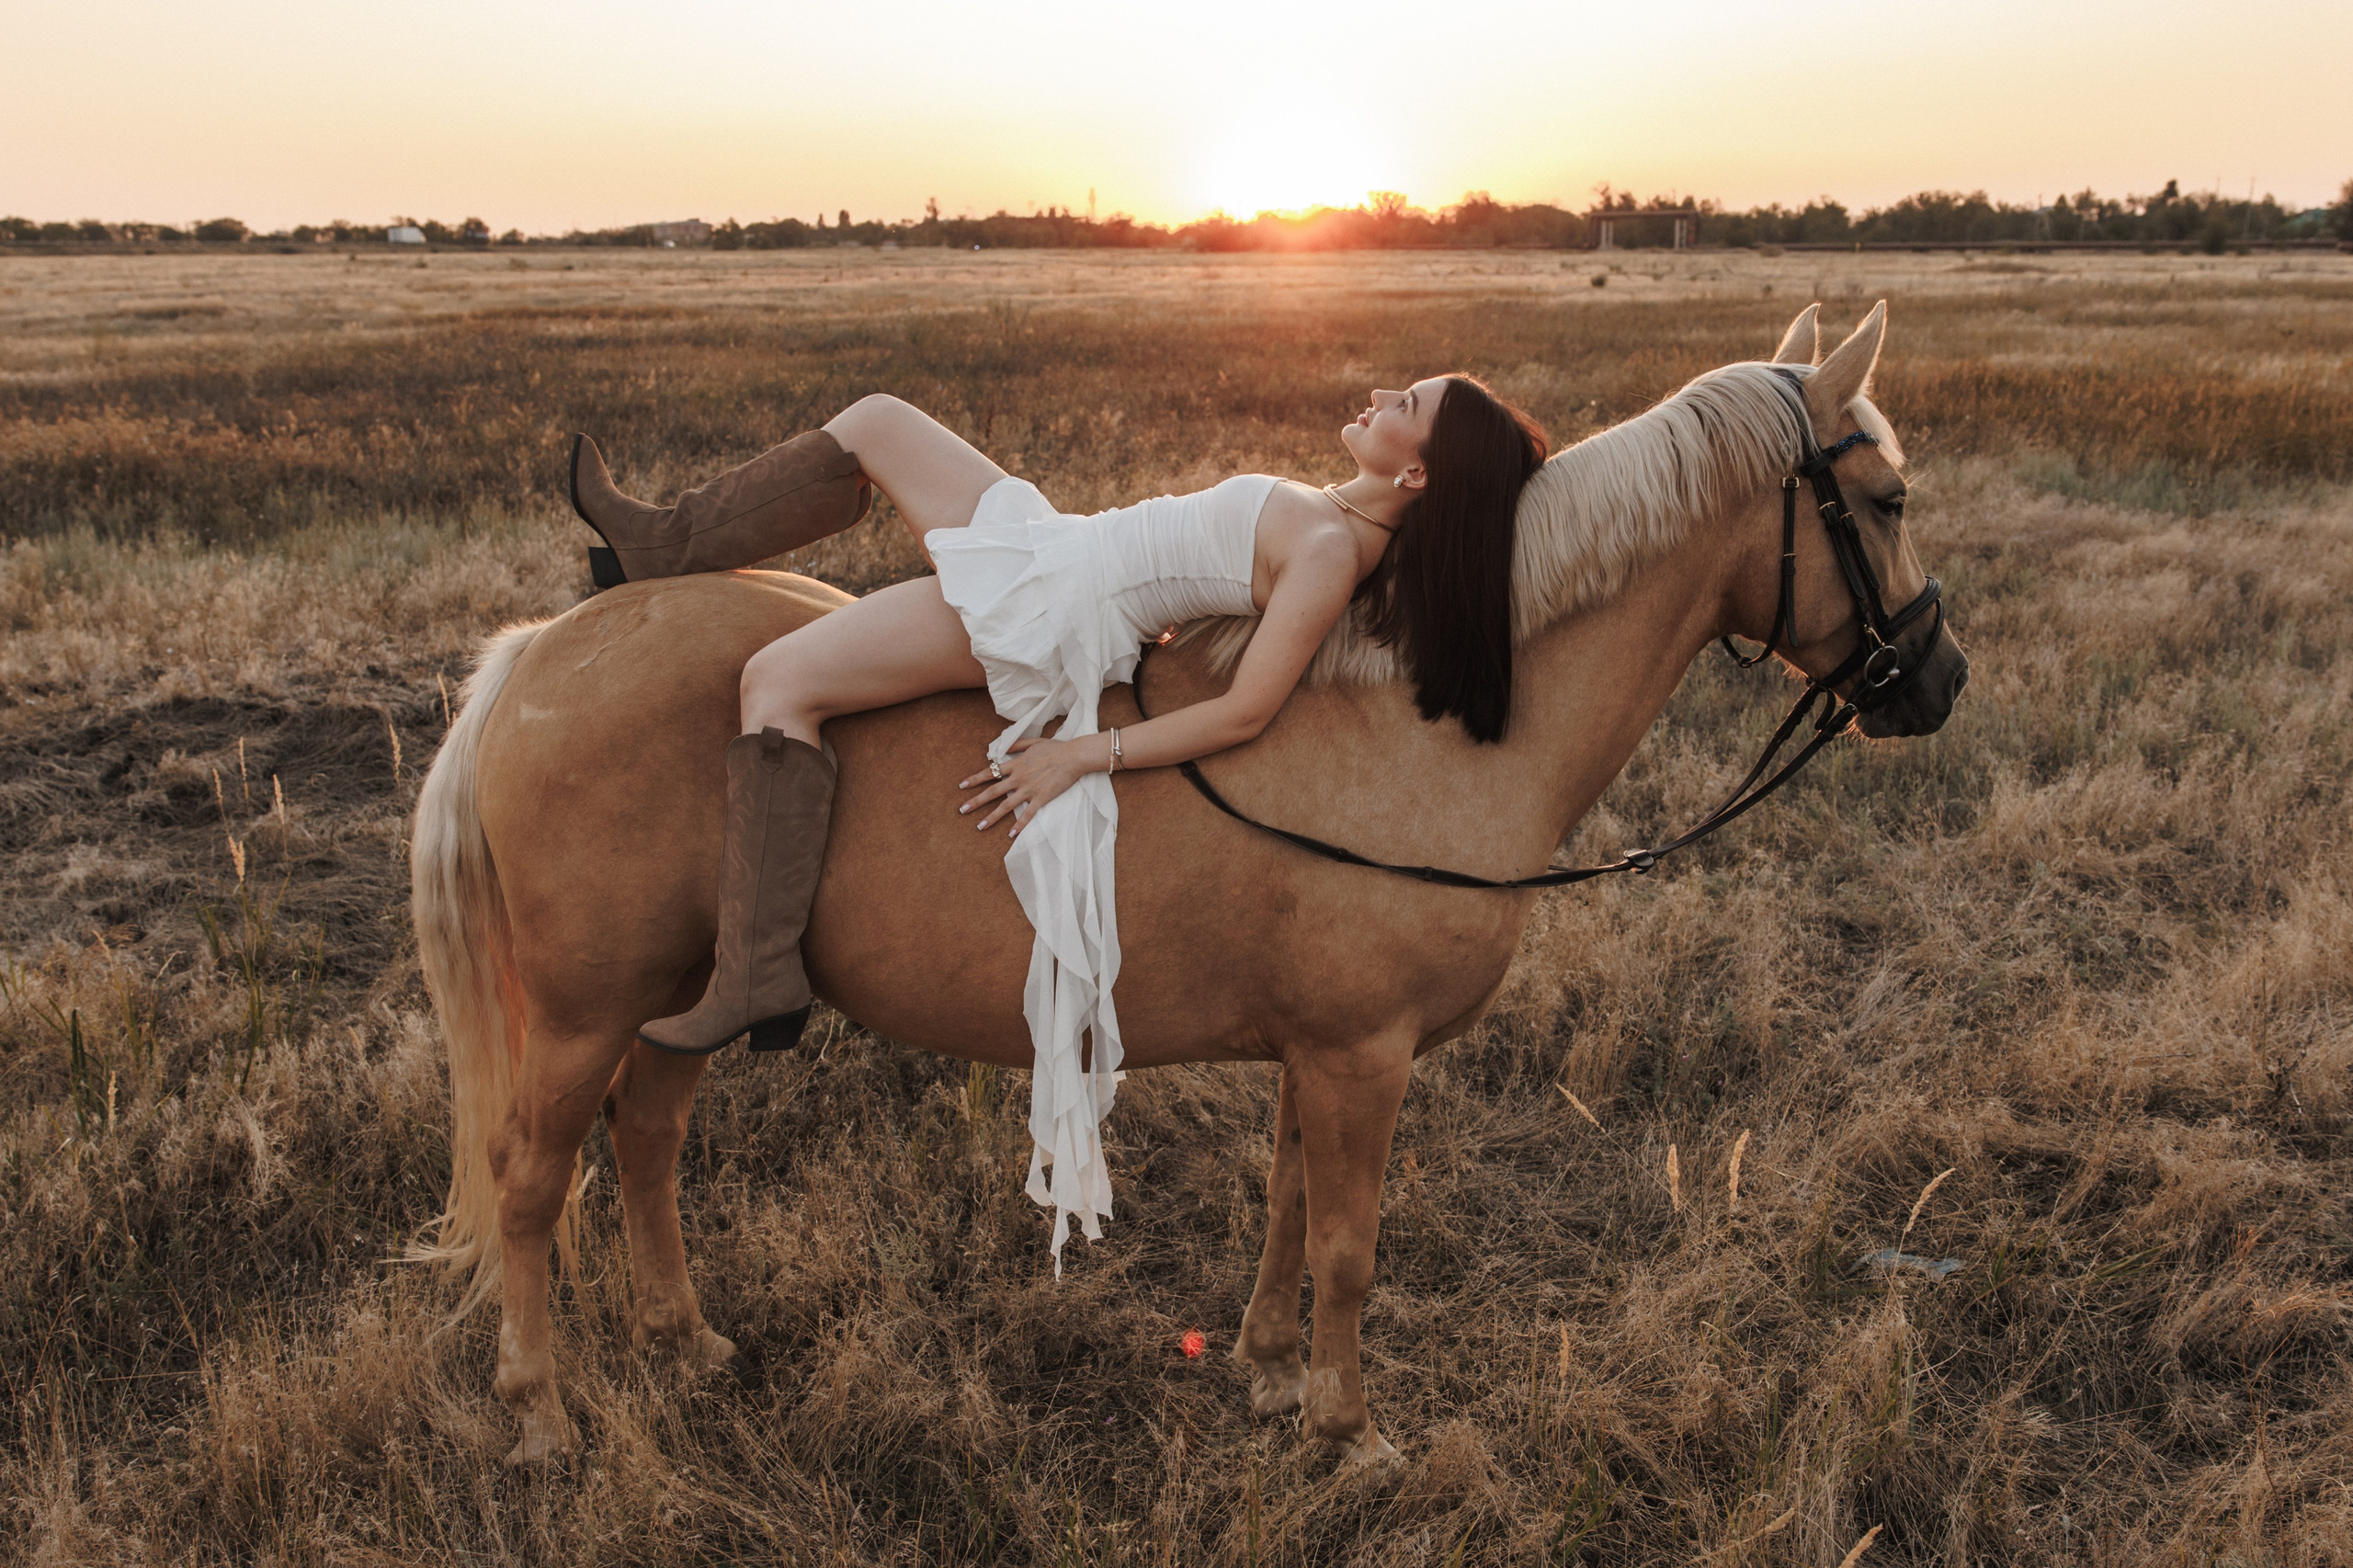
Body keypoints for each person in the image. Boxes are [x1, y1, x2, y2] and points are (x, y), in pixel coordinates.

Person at [568, 376, 1549, 1262]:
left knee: (776, 679)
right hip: (1058, 548)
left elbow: (1244, 711)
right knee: (876, 420)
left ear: (1417, 472)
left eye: (1406, 403)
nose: (1379, 392)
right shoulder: (1335, 516)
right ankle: (657, 543)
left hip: (1050, 613)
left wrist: (1085, 752)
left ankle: (756, 971)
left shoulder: (1333, 550)